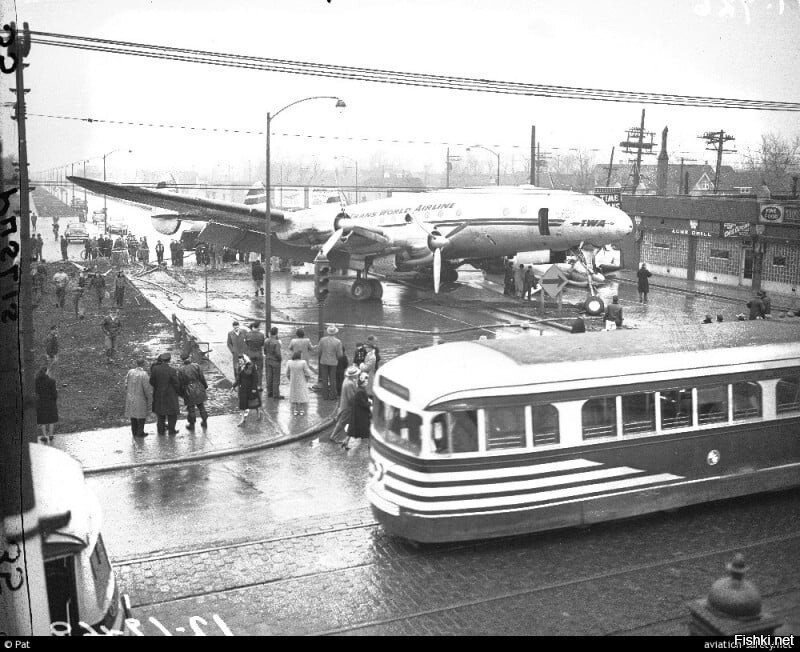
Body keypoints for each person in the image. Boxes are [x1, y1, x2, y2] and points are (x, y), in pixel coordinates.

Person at [150, 352, 180, 435]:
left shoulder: (155, 369)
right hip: (170, 396)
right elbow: (176, 384)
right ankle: (171, 430)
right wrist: (178, 392)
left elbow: (151, 381)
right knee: (172, 414)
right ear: (169, 360)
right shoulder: (172, 370)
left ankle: (161, 431)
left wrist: (158, 387)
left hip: (159, 395)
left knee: (160, 414)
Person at [177, 352, 209, 430]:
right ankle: (204, 421)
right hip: (198, 387)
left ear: (182, 360)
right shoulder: (196, 366)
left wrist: (181, 393)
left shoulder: (180, 369)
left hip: (188, 390)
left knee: (191, 408)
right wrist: (204, 386)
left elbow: (180, 382)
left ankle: (192, 425)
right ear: (189, 357)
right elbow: (202, 377)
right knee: (201, 406)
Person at [330, 365, 359, 445]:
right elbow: (351, 398)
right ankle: (333, 436)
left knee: (342, 422)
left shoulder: (346, 380)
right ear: (353, 375)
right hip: (347, 407)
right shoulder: (349, 383)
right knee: (342, 422)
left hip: (344, 405)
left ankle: (335, 436)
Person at [124, 358, 153, 438]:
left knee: (132, 415)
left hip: (130, 397)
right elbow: (146, 388)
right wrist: (149, 397)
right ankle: (140, 432)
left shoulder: (130, 372)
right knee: (141, 415)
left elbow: (126, 384)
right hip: (140, 398)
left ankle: (134, 431)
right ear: (143, 364)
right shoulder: (144, 374)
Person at [343, 372, 372, 450]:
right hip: (361, 414)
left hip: (358, 414)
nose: (367, 383)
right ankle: (370, 445)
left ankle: (345, 442)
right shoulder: (360, 391)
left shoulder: (359, 389)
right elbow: (363, 403)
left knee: (353, 429)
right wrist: (369, 403)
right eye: (365, 382)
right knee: (368, 430)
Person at [233, 355, 263, 426]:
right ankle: (242, 419)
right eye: (239, 361)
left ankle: (258, 411)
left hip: (250, 388)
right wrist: (234, 386)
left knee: (254, 402)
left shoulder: (251, 366)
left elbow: (255, 378)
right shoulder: (240, 367)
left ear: (245, 360)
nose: (240, 362)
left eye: (241, 361)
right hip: (243, 389)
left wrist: (253, 388)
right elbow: (238, 379)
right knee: (242, 404)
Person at [318, 325, 344, 401]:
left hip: (323, 361)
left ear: (328, 332)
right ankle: (333, 395)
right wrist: (336, 358)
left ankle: (325, 396)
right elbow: (340, 355)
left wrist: (322, 356)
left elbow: (319, 351)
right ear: (335, 333)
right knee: (333, 379)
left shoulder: (322, 340)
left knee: (325, 379)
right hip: (333, 362)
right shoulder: (338, 342)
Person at [35, 366, 58, 443]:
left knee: (42, 420)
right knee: (51, 419)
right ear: (46, 372)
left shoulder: (36, 381)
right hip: (50, 402)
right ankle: (51, 435)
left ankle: (44, 436)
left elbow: (35, 392)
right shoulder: (51, 381)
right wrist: (54, 399)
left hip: (40, 402)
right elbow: (54, 394)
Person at [287, 351, 311, 416]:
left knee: (294, 394)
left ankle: (295, 410)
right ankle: (301, 410)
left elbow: (287, 373)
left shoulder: (289, 362)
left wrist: (290, 379)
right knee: (301, 394)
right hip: (301, 380)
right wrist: (307, 378)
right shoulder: (303, 362)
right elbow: (307, 372)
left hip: (293, 381)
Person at [244, 321, 266, 391]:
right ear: (258, 327)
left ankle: (251, 385)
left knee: (250, 369)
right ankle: (259, 385)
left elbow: (246, 343)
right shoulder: (261, 335)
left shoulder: (247, 334)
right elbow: (262, 344)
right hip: (259, 354)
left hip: (250, 354)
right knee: (259, 370)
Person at [264, 326, 283, 399]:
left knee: (269, 377)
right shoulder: (276, 342)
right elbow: (278, 353)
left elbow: (265, 351)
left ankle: (269, 393)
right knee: (276, 378)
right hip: (275, 361)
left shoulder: (266, 341)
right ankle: (276, 394)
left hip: (268, 360)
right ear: (276, 333)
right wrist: (280, 359)